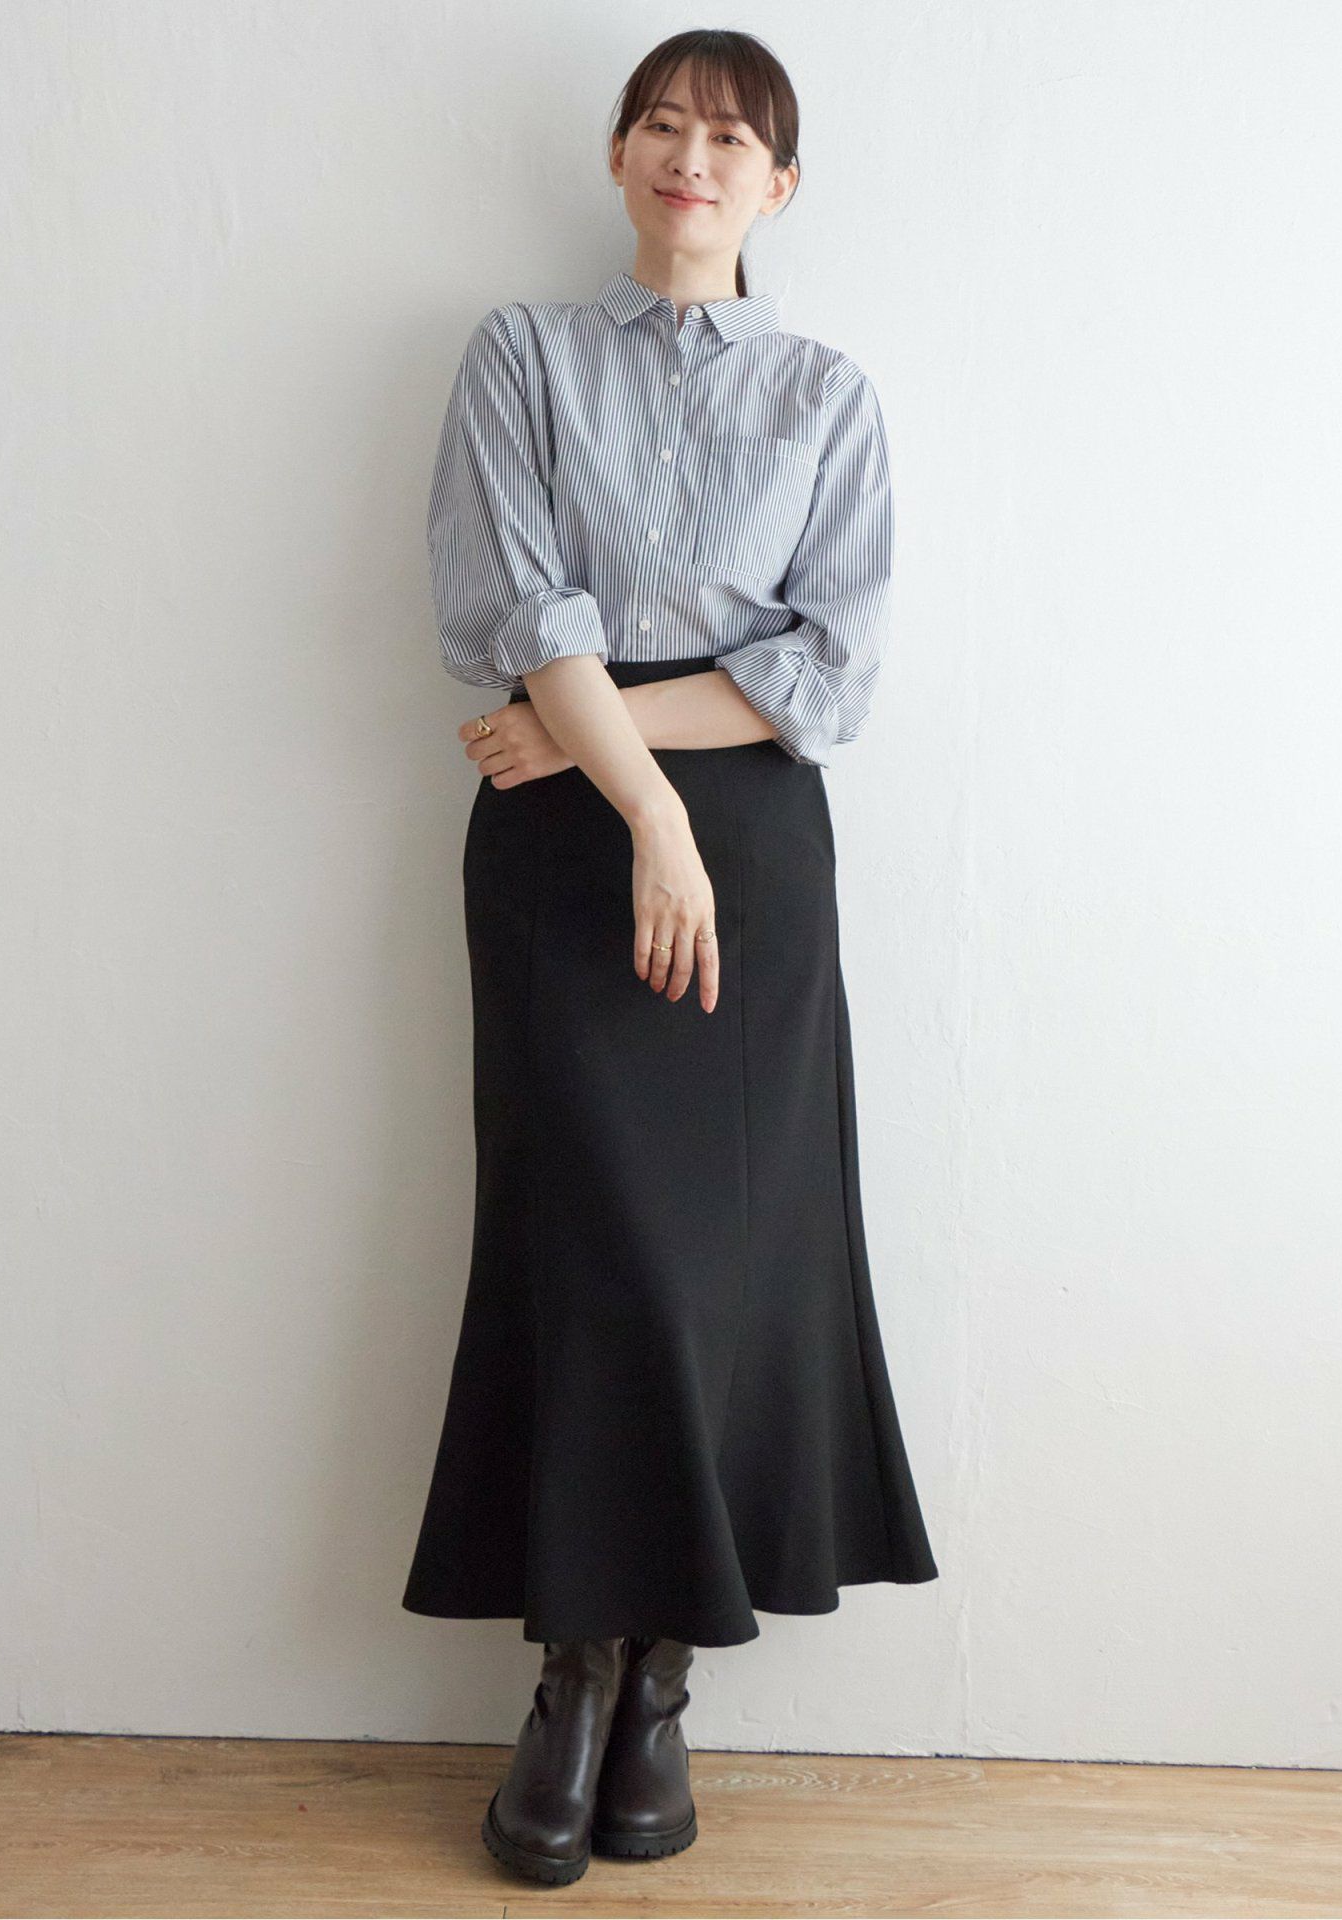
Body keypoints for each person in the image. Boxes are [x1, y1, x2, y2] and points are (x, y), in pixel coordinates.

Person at [401, 27, 940, 1886]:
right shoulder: (524, 355)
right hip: (572, 854)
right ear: (620, 154)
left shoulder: (826, 393)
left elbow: (828, 671)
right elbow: (514, 597)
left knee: (724, 1269)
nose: (689, 154)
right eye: (662, 122)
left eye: (729, 136)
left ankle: (660, 1684)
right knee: (591, 1256)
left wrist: (599, 737)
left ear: (778, 185)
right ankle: (573, 1671)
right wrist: (637, 805)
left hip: (748, 853)